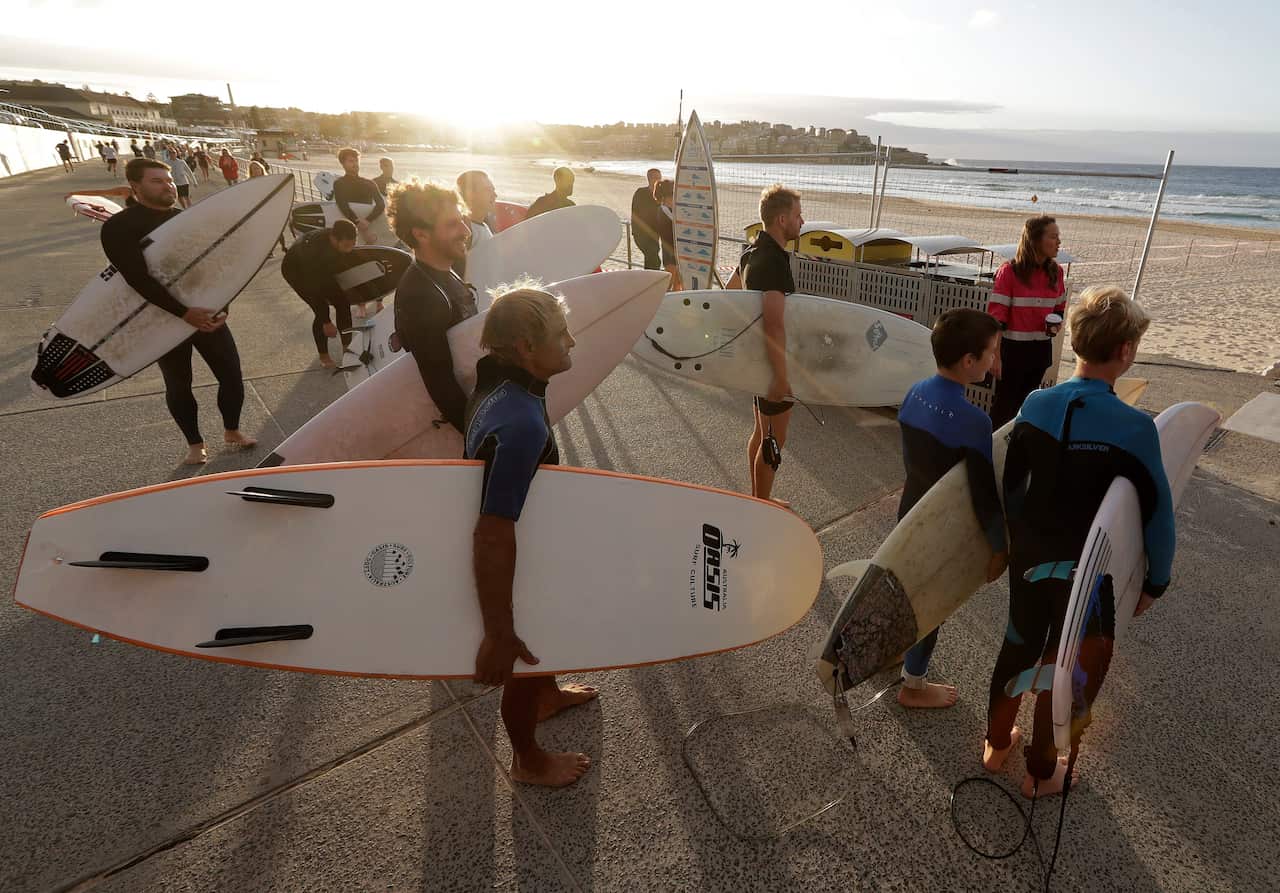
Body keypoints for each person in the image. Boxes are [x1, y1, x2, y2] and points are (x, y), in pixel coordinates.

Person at [982, 285, 1172, 799]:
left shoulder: (1035, 404)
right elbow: (1158, 512)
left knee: (1019, 644)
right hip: (1085, 573)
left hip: (1030, 559)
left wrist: (1011, 546)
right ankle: (1041, 773)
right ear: (1127, 352)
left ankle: (996, 745)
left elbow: (1010, 485)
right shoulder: (1136, 428)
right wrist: (1156, 581)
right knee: (1063, 664)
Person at [465, 284, 598, 787]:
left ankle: (546, 694)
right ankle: (527, 759)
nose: (572, 341)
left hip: (533, 537)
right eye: (560, 335)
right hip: (516, 556)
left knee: (542, 641)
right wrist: (498, 631)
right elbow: (493, 531)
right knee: (523, 650)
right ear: (525, 346)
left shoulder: (501, 385)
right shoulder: (520, 422)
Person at [100, 158, 256, 465]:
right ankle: (195, 444)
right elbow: (136, 277)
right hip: (161, 316)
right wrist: (182, 313)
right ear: (136, 186)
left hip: (205, 312)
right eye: (157, 181)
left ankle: (232, 430)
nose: (168, 185)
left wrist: (222, 307)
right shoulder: (119, 227)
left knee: (232, 375)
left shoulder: (187, 219)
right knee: (178, 382)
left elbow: (216, 268)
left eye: (168, 180)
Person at [895, 309, 1008, 709]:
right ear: (968, 362)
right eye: (992, 353)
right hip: (941, 531)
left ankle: (897, 654)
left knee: (906, 588)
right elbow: (982, 494)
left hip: (908, 512)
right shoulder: (973, 421)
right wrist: (999, 547)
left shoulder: (913, 393)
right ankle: (913, 684)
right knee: (932, 603)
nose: (996, 362)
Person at [724, 184, 803, 504]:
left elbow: (728, 294)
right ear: (782, 219)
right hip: (770, 363)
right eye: (798, 215)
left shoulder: (752, 250)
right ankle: (762, 506)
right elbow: (773, 324)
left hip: (756, 360)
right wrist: (781, 377)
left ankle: (758, 498)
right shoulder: (773, 260)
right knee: (773, 439)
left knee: (761, 433)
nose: (802, 221)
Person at [387, 180, 478, 432]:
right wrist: (482, 437)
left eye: (462, 220)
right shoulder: (421, 296)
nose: (465, 231)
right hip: (458, 427)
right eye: (452, 224)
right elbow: (442, 385)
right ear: (421, 233)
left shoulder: (445, 270)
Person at [987, 215, 1067, 428]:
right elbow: (996, 318)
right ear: (1035, 240)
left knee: (1027, 406)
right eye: (1053, 236)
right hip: (1012, 352)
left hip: (1040, 351)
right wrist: (995, 355)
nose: (1059, 242)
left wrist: (1056, 324)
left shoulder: (1056, 272)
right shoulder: (1010, 272)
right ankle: (990, 451)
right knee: (1004, 406)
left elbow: (1059, 307)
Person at [281, 219, 358, 367]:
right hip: (297, 273)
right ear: (334, 239)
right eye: (347, 245)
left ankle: (347, 348)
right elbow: (314, 291)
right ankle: (324, 356)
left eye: (353, 244)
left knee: (343, 303)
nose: (350, 249)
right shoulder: (313, 252)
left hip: (323, 268)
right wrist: (326, 322)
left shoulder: (339, 236)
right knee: (322, 309)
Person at [333, 147, 386, 245]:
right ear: (343, 164)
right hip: (350, 229)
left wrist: (367, 221)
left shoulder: (369, 183)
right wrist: (357, 223)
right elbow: (342, 205)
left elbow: (381, 204)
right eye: (351, 161)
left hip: (370, 226)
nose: (355, 164)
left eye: (357, 160)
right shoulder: (339, 183)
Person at [249, 161, 288, 255]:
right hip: (259, 211)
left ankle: (283, 246)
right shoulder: (249, 183)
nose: (256, 170)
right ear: (251, 171)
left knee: (279, 229)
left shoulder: (269, 180)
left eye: (257, 168)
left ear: (261, 169)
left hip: (272, 209)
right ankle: (269, 251)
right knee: (266, 232)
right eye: (253, 169)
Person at [630, 167, 663, 270]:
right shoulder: (640, 193)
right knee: (654, 259)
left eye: (660, 177)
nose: (659, 180)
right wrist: (635, 231)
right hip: (641, 233)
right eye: (656, 177)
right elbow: (635, 213)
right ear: (650, 179)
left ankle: (649, 281)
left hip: (654, 235)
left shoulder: (660, 195)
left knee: (651, 259)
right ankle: (652, 281)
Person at [651, 179, 681, 289]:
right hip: (670, 251)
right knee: (669, 282)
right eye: (674, 194)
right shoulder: (663, 210)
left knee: (678, 283)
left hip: (676, 251)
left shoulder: (671, 210)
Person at [456, 169, 496, 249]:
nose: (495, 195)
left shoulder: (483, 225)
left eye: (493, 190)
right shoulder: (466, 231)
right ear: (470, 195)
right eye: (488, 190)